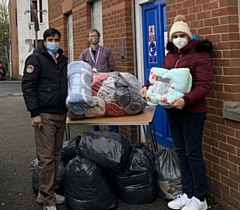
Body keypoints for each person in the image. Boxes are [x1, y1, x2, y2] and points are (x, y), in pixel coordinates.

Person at [140, 15, 213, 210]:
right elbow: (162, 80)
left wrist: (186, 100)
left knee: (193, 153)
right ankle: (188, 194)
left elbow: (205, 86)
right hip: (172, 111)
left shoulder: (200, 55)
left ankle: (200, 198)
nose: (179, 39)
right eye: (175, 35)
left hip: (192, 112)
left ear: (189, 37)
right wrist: (148, 86)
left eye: (182, 35)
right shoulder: (170, 56)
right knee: (181, 153)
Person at [22, 28, 68, 210]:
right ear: (44, 41)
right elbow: (28, 86)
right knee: (46, 158)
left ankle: (46, 192)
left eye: (56, 39)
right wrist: (34, 113)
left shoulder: (62, 59)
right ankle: (48, 201)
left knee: (56, 156)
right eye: (50, 39)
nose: (53, 42)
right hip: (45, 115)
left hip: (61, 113)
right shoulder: (36, 59)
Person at [79, 28, 118, 132]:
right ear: (88, 38)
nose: (93, 38)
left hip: (105, 84)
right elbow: (81, 69)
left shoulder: (106, 51)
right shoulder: (84, 54)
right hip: (92, 86)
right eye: (91, 36)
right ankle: (95, 135)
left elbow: (111, 66)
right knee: (94, 109)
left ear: (99, 37)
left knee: (109, 107)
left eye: (95, 36)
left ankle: (114, 134)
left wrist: (103, 75)